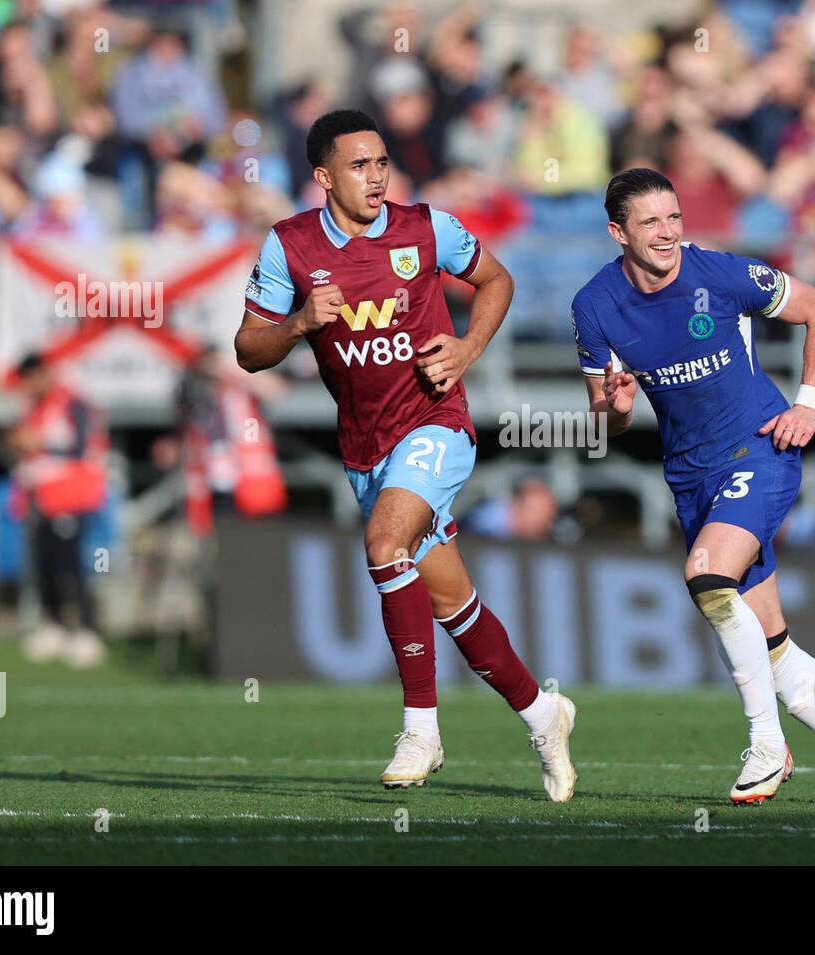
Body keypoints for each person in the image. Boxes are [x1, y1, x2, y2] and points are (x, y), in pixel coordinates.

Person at [233, 109, 576, 801]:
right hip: (367, 447)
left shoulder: (425, 228)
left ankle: (422, 727)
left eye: (382, 162)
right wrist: (300, 322)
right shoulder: (289, 246)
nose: (376, 176)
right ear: (324, 177)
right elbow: (248, 349)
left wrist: (468, 348)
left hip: (437, 423)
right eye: (359, 166)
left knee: (386, 544)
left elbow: (497, 280)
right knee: (453, 602)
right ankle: (545, 714)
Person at [572, 168, 815, 806]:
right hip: (690, 474)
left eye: (673, 217)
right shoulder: (593, 304)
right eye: (650, 222)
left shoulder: (719, 274)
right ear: (618, 232)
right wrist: (614, 402)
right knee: (768, 637)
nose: (667, 234)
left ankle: (767, 747)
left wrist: (809, 405)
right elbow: (604, 418)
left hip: (759, 447)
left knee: (705, 577)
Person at [9, 354, 108, 669]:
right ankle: (54, 625)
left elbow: (79, 446)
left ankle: (88, 631)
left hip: (72, 495)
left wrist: (40, 444)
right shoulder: (34, 407)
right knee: (44, 564)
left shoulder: (72, 402)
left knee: (70, 565)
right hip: (43, 495)